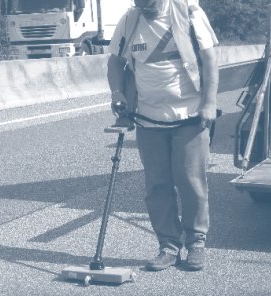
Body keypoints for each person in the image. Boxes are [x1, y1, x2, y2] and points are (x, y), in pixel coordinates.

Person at [107, 0, 219, 271]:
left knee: (190, 181)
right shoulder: (130, 19)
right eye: (139, 3)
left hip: (190, 116)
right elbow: (115, 62)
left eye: (148, 3)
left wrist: (208, 103)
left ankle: (195, 243)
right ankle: (168, 246)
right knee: (157, 185)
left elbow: (209, 58)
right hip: (147, 118)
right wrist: (117, 93)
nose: (144, 7)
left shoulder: (188, 12)